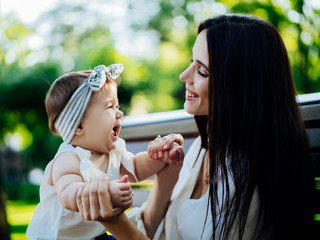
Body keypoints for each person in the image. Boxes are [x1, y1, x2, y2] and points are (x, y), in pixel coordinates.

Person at [77, 14, 316, 240]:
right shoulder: (205, 147)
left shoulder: (249, 186)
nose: (184, 75)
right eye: (192, 62)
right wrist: (166, 179)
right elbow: (154, 230)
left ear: (240, 88)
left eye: (202, 70)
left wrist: (115, 222)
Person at [26, 64, 184, 240]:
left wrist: (158, 157)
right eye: (110, 107)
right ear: (79, 126)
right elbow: (69, 194)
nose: (119, 113)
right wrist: (106, 193)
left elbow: (138, 169)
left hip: (96, 235)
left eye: (117, 106)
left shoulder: (113, 152)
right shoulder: (67, 159)